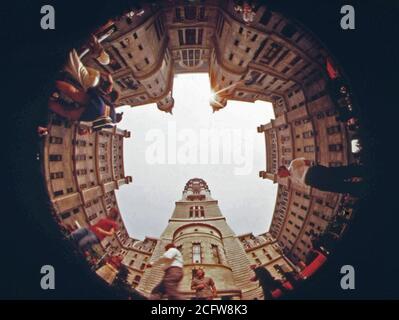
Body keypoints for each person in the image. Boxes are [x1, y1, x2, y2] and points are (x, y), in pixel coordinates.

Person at [277, 158, 366, 197]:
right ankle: (357, 188)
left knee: (336, 173)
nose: (282, 176)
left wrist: (316, 167)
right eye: (281, 176)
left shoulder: (293, 164)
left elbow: (306, 161)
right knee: (334, 187)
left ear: (283, 169)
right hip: (312, 183)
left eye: (281, 174)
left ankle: (358, 170)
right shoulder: (291, 179)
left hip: (314, 173)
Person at [48, 79, 122, 123]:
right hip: (96, 114)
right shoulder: (112, 123)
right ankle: (47, 102)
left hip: (100, 104)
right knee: (66, 113)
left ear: (117, 113)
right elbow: (99, 125)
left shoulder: (113, 108)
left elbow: (103, 98)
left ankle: (53, 82)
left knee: (74, 92)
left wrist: (92, 92)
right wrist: (89, 130)